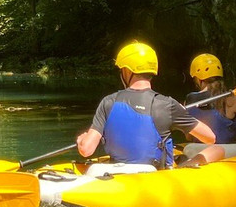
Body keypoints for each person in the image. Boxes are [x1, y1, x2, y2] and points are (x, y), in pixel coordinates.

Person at [75, 42, 222, 168]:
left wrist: (82, 139)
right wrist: (181, 114)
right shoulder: (168, 104)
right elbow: (210, 138)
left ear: (127, 71)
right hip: (155, 175)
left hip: (117, 173)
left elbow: (86, 150)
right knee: (217, 150)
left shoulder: (108, 102)